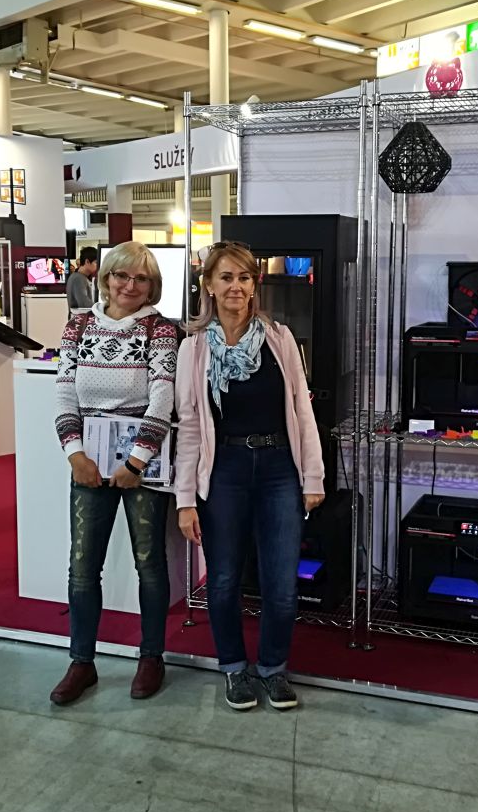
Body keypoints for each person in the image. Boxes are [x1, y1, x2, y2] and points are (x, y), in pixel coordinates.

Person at [174, 242, 325, 712]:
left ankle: (273, 668)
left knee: (281, 583)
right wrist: (184, 498)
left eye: (243, 277)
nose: (235, 286)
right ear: (208, 286)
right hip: (225, 471)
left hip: (279, 468)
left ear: (254, 285)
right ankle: (234, 668)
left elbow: (302, 409)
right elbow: (190, 426)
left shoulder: (280, 338)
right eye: (225, 278)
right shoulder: (193, 349)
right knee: (222, 580)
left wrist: (313, 477)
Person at [50, 241, 178, 706]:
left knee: (150, 563)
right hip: (88, 461)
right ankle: (81, 662)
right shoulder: (79, 324)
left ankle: (151, 657)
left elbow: (163, 396)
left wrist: (136, 461)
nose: (130, 285)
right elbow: (64, 391)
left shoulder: (161, 329)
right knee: (83, 566)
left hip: (140, 466)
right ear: (105, 278)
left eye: (141, 278)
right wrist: (74, 454)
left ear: (152, 285)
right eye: (122, 275)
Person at [66, 246, 98, 311]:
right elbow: (84, 304)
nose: (97, 266)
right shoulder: (78, 278)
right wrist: (101, 307)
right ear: (87, 262)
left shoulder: (80, 277)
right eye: (96, 263)